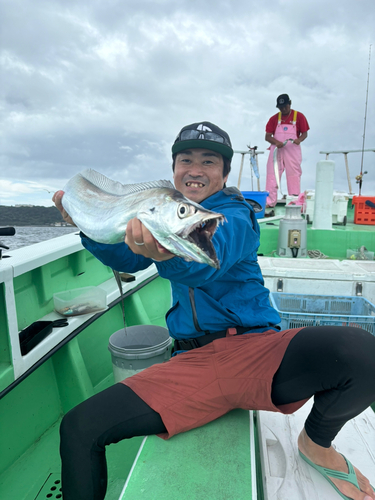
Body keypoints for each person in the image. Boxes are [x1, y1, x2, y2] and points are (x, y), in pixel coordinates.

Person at [53, 121, 375, 500]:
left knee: (361, 352)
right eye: (185, 160)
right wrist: (87, 225)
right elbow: (126, 255)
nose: (194, 169)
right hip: (192, 361)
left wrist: (167, 253)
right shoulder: (158, 212)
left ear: (224, 173)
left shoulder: (233, 215)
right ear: (174, 170)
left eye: (209, 161)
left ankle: (317, 443)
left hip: (256, 349)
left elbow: (207, 259)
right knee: (78, 427)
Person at [265, 94, 310, 207]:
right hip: (277, 150)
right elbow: (267, 136)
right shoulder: (274, 119)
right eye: (281, 107)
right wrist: (276, 142)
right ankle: (270, 203)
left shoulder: (299, 116)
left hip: (292, 149)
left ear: (290, 103)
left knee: (293, 175)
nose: (283, 109)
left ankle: (294, 202)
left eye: (285, 106)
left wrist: (299, 140)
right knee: (272, 175)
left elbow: (305, 133)